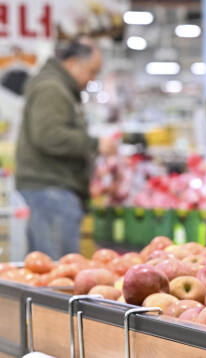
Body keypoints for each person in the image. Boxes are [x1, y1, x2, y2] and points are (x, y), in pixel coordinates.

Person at [15, 38, 117, 259]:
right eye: (92, 71)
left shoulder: (59, 88)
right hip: (52, 188)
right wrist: (95, 144)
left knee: (46, 269)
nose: (93, 79)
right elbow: (50, 136)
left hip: (54, 188)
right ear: (72, 63)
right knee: (59, 271)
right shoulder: (52, 89)